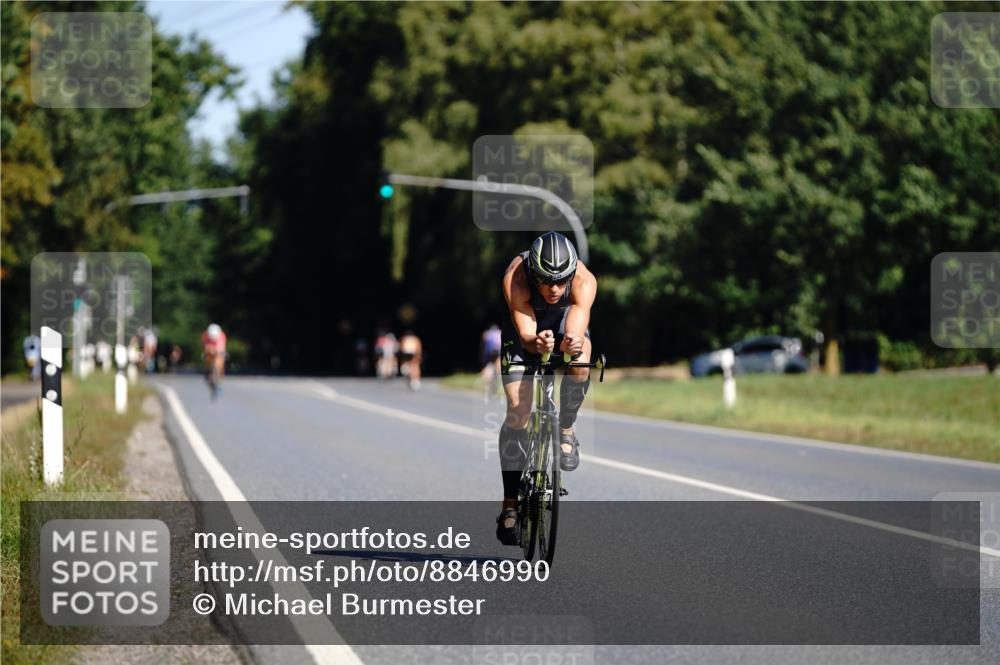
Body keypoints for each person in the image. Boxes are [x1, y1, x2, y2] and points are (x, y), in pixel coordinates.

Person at [495, 231, 597, 545]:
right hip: (523, 333)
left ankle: (566, 429)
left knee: (580, 362)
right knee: (519, 411)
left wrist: (571, 342)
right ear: (533, 273)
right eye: (545, 281)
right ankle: (510, 503)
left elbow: (576, 328)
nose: (553, 289)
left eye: (560, 282)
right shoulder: (517, 277)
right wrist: (535, 341)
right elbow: (526, 332)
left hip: (565, 324)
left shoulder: (584, 280)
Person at [480, 324, 502, 400]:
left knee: (488, 366)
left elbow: (483, 345)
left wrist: (484, 359)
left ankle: (487, 384)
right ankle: (498, 375)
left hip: (489, 351)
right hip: (498, 350)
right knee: (498, 365)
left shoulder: (487, 333)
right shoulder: (500, 332)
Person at [201, 323, 227, 388]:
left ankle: (220, 374)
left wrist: (218, 351)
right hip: (210, 350)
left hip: (218, 350)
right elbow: (205, 346)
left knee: (221, 360)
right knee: (207, 357)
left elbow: (222, 347)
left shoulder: (222, 335)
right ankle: (207, 371)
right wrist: (209, 350)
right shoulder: (205, 335)